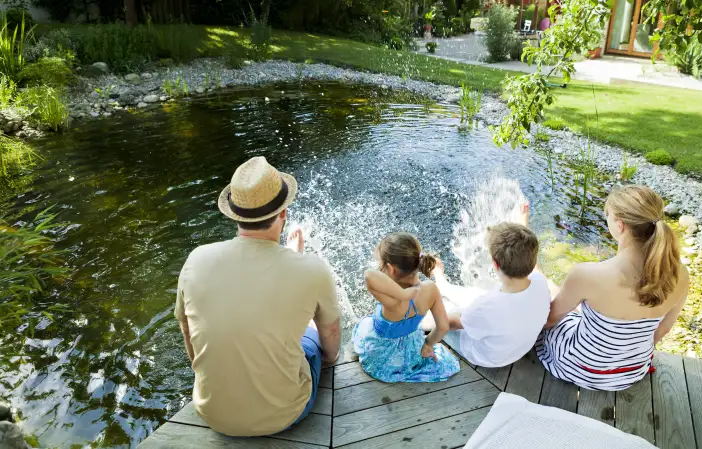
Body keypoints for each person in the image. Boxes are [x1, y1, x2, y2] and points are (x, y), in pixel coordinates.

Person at [174, 156, 342, 436]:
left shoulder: (196, 259)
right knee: (311, 335)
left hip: (211, 412)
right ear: (283, 213)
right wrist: (296, 261)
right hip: (284, 415)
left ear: (234, 215)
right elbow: (333, 348)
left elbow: (188, 331)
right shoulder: (312, 269)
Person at [536, 185, 689, 391]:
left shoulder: (587, 274)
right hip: (631, 372)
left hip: (580, 369)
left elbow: (549, 320)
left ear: (620, 224)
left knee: (554, 294)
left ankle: (536, 272)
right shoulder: (681, 274)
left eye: (607, 215)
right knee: (583, 308)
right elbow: (663, 329)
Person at [431, 203, 552, 368]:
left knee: (439, 308)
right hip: (516, 349)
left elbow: (449, 324)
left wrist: (427, 342)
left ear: (495, 264)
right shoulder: (540, 283)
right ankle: (442, 282)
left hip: (485, 357)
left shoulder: (487, 306)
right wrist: (524, 226)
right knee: (473, 295)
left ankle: (412, 318)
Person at [352, 233, 461, 382]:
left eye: (381, 264)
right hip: (412, 354)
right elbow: (443, 327)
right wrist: (428, 345)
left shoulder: (392, 298)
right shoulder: (430, 289)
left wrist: (403, 294)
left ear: (391, 269)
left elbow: (368, 275)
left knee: (364, 324)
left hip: (384, 356)